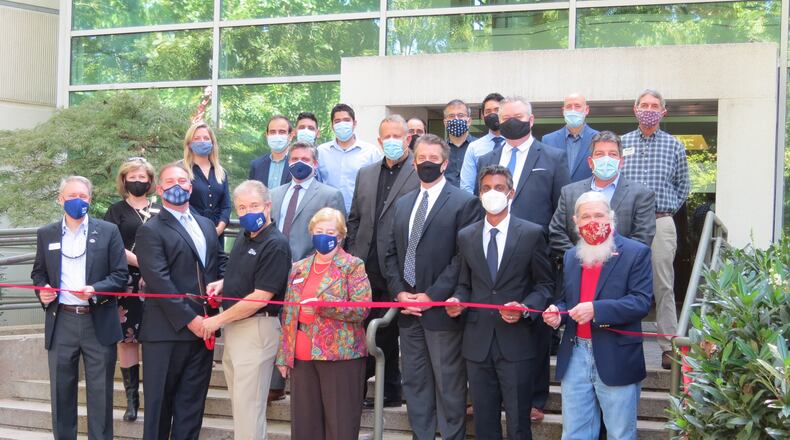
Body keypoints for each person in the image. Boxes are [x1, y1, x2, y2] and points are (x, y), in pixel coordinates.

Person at [476, 96, 570, 421]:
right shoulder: (487, 157)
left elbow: (562, 207)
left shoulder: (554, 157)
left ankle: (535, 398)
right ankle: (494, 394)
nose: (511, 121)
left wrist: (554, 250)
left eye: (518, 116)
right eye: (506, 117)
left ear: (531, 121)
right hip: (495, 251)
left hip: (536, 253)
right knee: (495, 322)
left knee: (535, 327)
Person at [384, 133, 482, 440]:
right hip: (407, 310)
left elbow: (462, 257)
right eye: (421, 159)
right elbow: (390, 253)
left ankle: (452, 436)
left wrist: (433, 296)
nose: (427, 163)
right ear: (413, 163)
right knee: (415, 382)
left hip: (441, 312)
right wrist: (400, 293)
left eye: (433, 159)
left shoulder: (464, 202)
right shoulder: (402, 204)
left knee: (449, 384)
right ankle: (422, 435)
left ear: (445, 163)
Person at [446, 165, 554, 440]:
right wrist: (457, 300)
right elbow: (465, 283)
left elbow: (544, 285)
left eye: (499, 188)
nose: (492, 193)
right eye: (486, 188)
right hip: (477, 342)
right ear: (478, 193)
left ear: (511, 193)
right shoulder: (467, 235)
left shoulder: (531, 233)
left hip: (516, 343)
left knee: (518, 423)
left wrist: (525, 308)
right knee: (484, 422)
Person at [543, 191, 653, 440]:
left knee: (620, 434)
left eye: (599, 214)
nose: (593, 221)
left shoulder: (636, 252)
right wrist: (558, 313)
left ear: (611, 217)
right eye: (586, 216)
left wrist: (596, 309)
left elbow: (641, 302)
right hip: (575, 355)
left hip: (616, 353)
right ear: (576, 222)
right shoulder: (572, 255)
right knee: (574, 433)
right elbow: (567, 301)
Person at [31, 176, 127, 440]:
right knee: (61, 393)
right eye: (72, 196)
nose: (78, 201)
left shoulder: (108, 231)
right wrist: (44, 291)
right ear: (60, 199)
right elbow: (38, 274)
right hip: (61, 321)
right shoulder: (46, 233)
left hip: (97, 321)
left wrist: (95, 289)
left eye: (83, 196)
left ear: (90, 199)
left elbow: (120, 276)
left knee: (101, 395)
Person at [135, 163, 227, 439]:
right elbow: (159, 281)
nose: (177, 186)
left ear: (191, 186)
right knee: (159, 409)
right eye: (170, 181)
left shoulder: (206, 224)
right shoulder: (150, 230)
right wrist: (192, 320)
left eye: (183, 180)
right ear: (160, 189)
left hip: (203, 332)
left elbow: (219, 263)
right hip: (166, 333)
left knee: (191, 409)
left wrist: (226, 282)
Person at [198, 180, 292, 440]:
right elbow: (244, 276)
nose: (248, 212)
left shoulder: (275, 244)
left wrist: (216, 321)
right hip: (236, 328)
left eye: (254, 205)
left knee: (249, 408)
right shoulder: (244, 236)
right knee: (241, 406)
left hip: (256, 328)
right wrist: (222, 284)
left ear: (268, 206)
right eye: (241, 208)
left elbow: (261, 296)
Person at [276, 207, 372, 440]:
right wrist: (283, 355)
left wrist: (324, 306)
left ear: (340, 236)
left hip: (340, 355)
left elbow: (362, 308)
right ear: (311, 233)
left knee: (340, 425)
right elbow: (288, 313)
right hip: (301, 355)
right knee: (304, 426)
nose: (324, 235)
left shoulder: (352, 266)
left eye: (330, 231)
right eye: (319, 230)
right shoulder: (298, 268)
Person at [346, 114, 420, 409]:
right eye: (385, 136)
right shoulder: (366, 173)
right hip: (364, 265)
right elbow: (354, 217)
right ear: (379, 140)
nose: (391, 141)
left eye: (397, 136)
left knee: (389, 332)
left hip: (400, 264)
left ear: (407, 138)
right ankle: (361, 390)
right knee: (364, 329)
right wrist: (353, 250)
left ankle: (391, 390)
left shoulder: (418, 172)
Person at [620, 89, 690, 369]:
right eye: (644, 105)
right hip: (626, 221)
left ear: (664, 111)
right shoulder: (621, 142)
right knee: (622, 281)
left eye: (654, 105)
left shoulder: (674, 146)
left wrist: (668, 207)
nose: (649, 109)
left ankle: (668, 346)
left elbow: (683, 186)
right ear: (635, 109)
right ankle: (623, 340)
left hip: (661, 219)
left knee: (663, 283)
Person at [103, 158, 161, 422]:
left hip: (158, 282)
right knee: (128, 341)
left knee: (154, 340)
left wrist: (154, 269)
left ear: (150, 181)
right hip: (126, 279)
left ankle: (155, 398)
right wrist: (142, 264)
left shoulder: (161, 210)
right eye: (132, 177)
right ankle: (132, 401)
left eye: (142, 177)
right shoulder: (115, 211)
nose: (138, 181)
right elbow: (111, 243)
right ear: (124, 180)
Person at [549, 130, 656, 255]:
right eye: (600, 154)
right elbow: (556, 233)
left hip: (621, 270)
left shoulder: (641, 195)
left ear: (621, 162)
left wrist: (612, 259)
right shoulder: (569, 193)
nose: (606, 159)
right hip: (579, 269)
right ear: (590, 162)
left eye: (612, 154)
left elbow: (642, 238)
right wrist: (580, 257)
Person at [271, 141, 346, 261]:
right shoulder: (274, 194)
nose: (299, 163)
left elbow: (338, 238)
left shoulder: (331, 195)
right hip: (273, 262)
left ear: (315, 163)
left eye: (305, 159)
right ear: (289, 162)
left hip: (309, 268)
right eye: (295, 159)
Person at [317, 103, 382, 213]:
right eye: (337, 121)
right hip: (328, 215)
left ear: (354, 123)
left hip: (360, 214)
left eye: (346, 120)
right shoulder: (321, 151)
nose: (342, 124)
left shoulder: (371, 152)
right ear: (332, 125)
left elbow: (378, 184)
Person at [182, 122, 232, 246]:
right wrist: (203, 228)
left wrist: (220, 228)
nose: (202, 141)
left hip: (217, 233)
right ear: (189, 144)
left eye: (206, 138)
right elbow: (183, 203)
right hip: (191, 230)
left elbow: (226, 205)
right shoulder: (181, 170)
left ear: (212, 143)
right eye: (197, 138)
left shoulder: (221, 172)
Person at [542, 93, 600, 183]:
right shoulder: (548, 140)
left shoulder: (599, 139)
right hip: (558, 196)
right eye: (569, 106)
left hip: (588, 195)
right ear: (563, 111)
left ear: (587, 110)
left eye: (577, 106)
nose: (573, 110)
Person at [460, 93, 506, 193]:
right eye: (488, 111)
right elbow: (466, 186)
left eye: (497, 110)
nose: (493, 114)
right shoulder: (474, 147)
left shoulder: (515, 144)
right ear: (482, 115)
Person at [249, 115, 294, 189]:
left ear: (291, 136)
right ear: (267, 135)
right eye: (272, 132)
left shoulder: (298, 163)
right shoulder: (256, 165)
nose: (277, 135)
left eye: (282, 132)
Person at [443, 99, 477, 187]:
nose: (456, 119)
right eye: (451, 116)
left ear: (469, 121)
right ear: (445, 122)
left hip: (473, 199)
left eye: (460, 115)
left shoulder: (479, 146)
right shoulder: (439, 149)